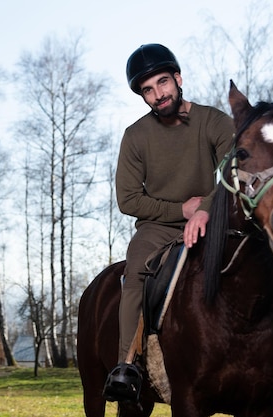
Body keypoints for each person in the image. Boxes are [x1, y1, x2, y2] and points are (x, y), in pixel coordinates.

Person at [103, 43, 234, 401]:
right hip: (158, 227)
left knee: (257, 259)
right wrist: (182, 210)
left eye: (163, 82)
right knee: (136, 269)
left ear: (178, 78)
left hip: (216, 217)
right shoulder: (136, 136)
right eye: (148, 89)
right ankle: (126, 366)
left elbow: (232, 172)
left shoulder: (215, 121)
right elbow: (128, 200)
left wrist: (206, 208)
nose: (158, 94)